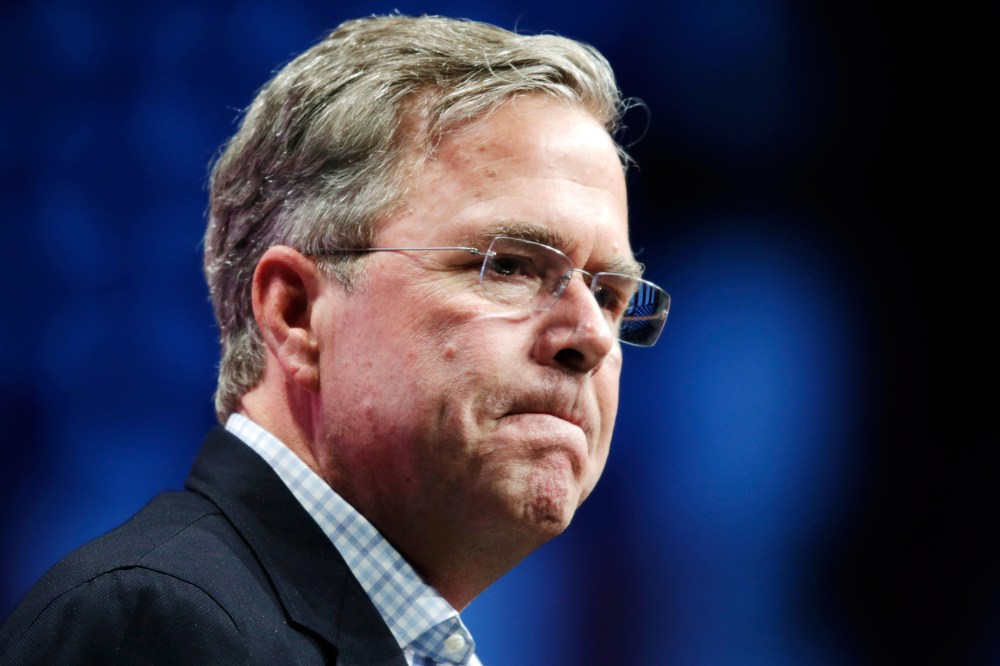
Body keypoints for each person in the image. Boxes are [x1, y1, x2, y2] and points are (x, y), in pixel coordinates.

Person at [0, 14, 669, 665]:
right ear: (296, 313)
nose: (588, 336)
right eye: (511, 266)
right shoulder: (158, 623)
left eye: (608, 294)